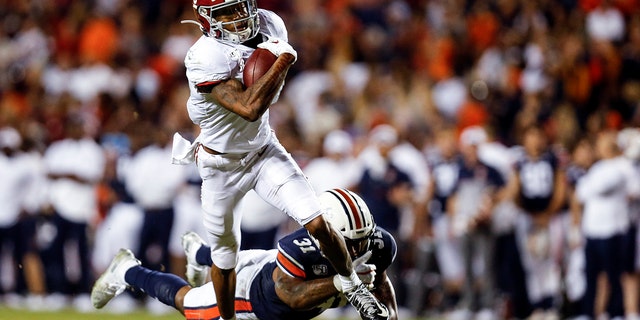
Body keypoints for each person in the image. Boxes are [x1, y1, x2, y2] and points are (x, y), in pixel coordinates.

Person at [170, 1, 388, 319]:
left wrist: (274, 61)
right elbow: (249, 107)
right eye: (226, 12)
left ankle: (352, 284)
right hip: (221, 166)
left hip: (263, 152)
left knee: (317, 221)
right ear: (206, 19)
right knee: (225, 257)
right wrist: (283, 58)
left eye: (240, 6)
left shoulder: (269, 24)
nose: (239, 17)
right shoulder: (204, 56)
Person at [91, 188, 398, 320]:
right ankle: (127, 270)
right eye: (349, 242)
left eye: (363, 240)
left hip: (271, 278)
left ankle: (198, 251)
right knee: (189, 303)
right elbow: (290, 294)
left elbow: (381, 283)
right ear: (326, 236)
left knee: (232, 259)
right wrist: (341, 284)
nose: (359, 250)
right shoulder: (301, 248)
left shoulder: (377, 244)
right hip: (250, 298)